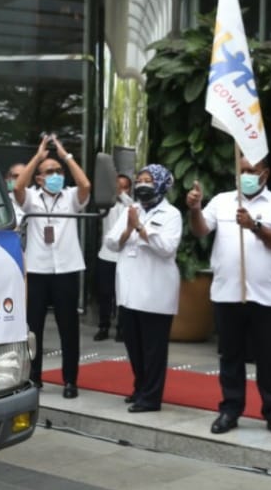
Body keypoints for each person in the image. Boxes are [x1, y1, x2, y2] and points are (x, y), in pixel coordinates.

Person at [185, 157, 271, 438]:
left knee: (268, 359)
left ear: (265, 174)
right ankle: (230, 410)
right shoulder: (222, 201)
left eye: (252, 171)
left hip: (267, 297)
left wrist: (255, 226)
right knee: (230, 356)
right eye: (242, 170)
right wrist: (195, 209)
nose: (246, 175)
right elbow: (200, 230)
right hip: (228, 293)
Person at [15, 134, 91, 397]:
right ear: (39, 178)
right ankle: (34, 378)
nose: (56, 174)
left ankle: (71, 380)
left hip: (67, 270)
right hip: (38, 270)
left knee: (68, 327)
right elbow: (17, 188)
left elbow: (85, 184)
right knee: (34, 327)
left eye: (58, 171)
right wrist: (38, 156)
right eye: (49, 172)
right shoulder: (32, 198)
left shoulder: (70, 196)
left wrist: (64, 155)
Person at [105, 165, 180, 412]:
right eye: (139, 180)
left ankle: (151, 397)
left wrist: (140, 228)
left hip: (155, 293)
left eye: (148, 180)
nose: (141, 185)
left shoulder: (172, 214)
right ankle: (140, 387)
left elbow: (166, 247)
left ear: (160, 184)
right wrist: (129, 227)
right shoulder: (132, 210)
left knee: (153, 350)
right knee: (134, 346)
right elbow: (112, 243)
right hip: (128, 292)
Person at [93, 173, 132, 341]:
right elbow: (100, 204)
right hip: (106, 256)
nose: (119, 189)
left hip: (125, 257)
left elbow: (132, 205)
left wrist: (121, 193)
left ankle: (122, 329)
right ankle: (103, 326)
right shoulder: (107, 205)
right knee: (105, 294)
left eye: (124, 186)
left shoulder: (131, 206)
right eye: (117, 185)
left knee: (123, 295)